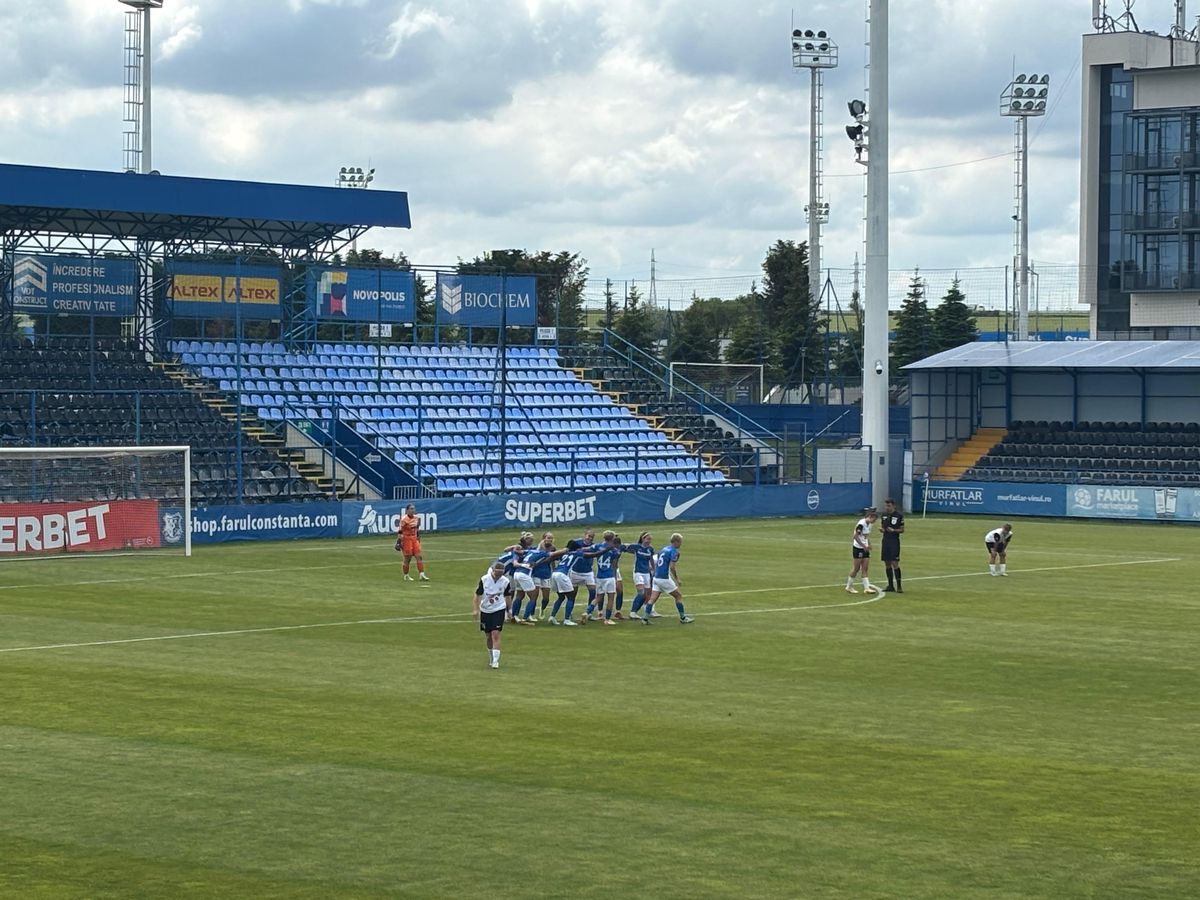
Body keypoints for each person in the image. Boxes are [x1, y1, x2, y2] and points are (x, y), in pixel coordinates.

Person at [644, 532, 693, 624]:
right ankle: (683, 618)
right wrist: (677, 579)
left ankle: (645, 619)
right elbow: (672, 567)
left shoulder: (664, 549)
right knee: (678, 596)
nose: (681, 544)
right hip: (664, 578)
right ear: (676, 542)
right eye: (680, 542)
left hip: (656, 578)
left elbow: (658, 559)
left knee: (652, 599)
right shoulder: (673, 551)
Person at [474, 560, 510, 669]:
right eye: (496, 574)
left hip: (499, 609)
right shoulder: (484, 580)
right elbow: (477, 595)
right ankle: (491, 657)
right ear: (492, 571)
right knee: (488, 636)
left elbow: (508, 596)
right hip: (485, 610)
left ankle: (496, 661)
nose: (498, 577)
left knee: (495, 634)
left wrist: (510, 611)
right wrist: (476, 609)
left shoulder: (505, 581)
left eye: (500, 575)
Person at [625, 531, 657, 620]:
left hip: (647, 573)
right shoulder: (636, 547)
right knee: (641, 592)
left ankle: (647, 611)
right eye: (648, 539)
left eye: (650, 539)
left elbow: (651, 560)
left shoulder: (650, 549)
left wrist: (654, 570)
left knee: (647, 594)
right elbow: (625, 547)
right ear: (643, 539)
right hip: (638, 572)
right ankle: (633, 612)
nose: (649, 541)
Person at [846, 509, 879, 595]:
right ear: (870, 517)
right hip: (858, 548)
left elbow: (866, 536)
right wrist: (863, 546)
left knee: (865, 568)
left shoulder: (869, 525)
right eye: (874, 520)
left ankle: (866, 588)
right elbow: (855, 536)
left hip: (865, 548)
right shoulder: (861, 524)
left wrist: (869, 544)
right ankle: (849, 586)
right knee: (856, 568)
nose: (874, 522)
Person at [395, 504, 429, 582]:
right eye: (411, 509)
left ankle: (422, 574)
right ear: (407, 510)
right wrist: (398, 542)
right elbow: (400, 531)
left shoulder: (416, 518)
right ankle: (406, 575)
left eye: (413, 509)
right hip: (406, 539)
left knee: (419, 556)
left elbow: (417, 529)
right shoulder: (404, 519)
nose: (413, 510)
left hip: (414, 538)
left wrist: (418, 537)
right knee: (408, 558)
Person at [880, 498, 905, 593]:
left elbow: (902, 530)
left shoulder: (899, 516)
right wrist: (882, 530)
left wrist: (894, 530)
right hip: (885, 541)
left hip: (894, 541)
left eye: (889, 506)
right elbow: (883, 527)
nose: (887, 508)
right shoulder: (884, 516)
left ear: (893, 506)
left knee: (895, 563)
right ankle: (890, 585)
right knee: (887, 563)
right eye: (886, 506)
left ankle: (899, 586)